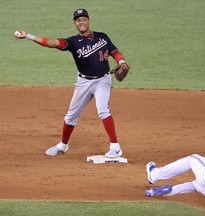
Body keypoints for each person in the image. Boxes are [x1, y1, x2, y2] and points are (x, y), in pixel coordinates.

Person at [14, 9, 129, 158]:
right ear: (75, 23)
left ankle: (115, 146)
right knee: (71, 116)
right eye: (78, 20)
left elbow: (115, 52)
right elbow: (50, 43)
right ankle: (63, 145)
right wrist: (28, 35)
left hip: (103, 80)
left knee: (103, 109)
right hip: (83, 82)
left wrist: (122, 61)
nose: (81, 22)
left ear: (89, 21)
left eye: (84, 19)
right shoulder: (73, 42)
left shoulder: (103, 37)